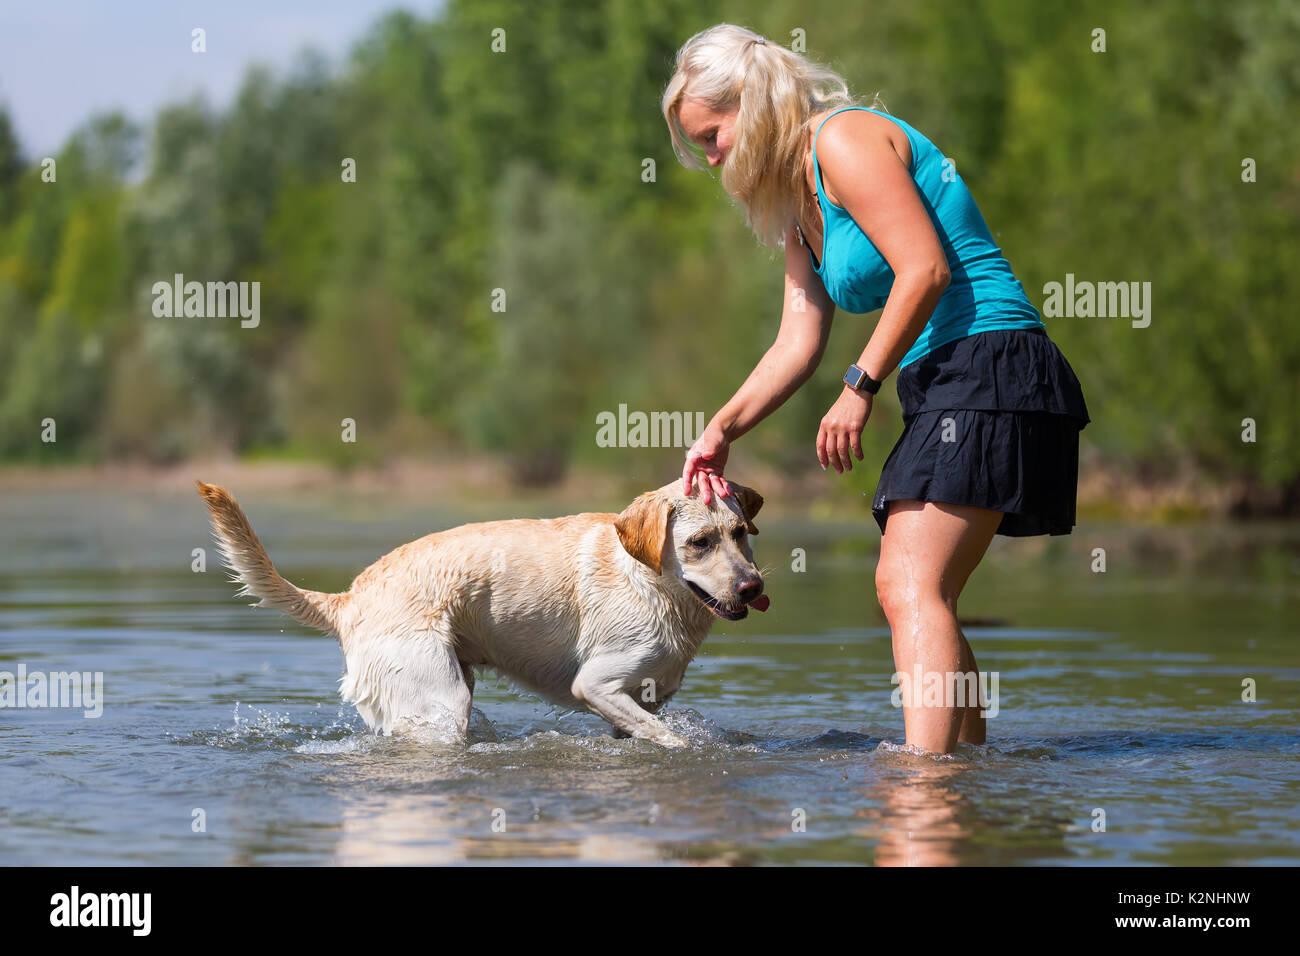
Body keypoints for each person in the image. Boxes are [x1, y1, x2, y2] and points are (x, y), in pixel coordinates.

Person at [662, 24, 1090, 754]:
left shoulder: (844, 141)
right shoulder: (799, 205)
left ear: (754, 103)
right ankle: (970, 774)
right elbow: (796, 343)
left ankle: (926, 780)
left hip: (991, 359)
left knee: (905, 584)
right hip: (948, 380)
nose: (710, 157)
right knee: (925, 593)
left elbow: (927, 268)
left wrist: (860, 385)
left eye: (712, 134)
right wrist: (721, 430)